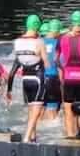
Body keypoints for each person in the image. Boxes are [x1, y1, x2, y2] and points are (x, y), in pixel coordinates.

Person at [7, 15, 49, 143]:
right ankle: (26, 137)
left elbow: (15, 66)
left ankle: (33, 137)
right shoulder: (39, 42)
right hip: (37, 78)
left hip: (25, 79)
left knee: (31, 108)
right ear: (37, 26)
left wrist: (9, 90)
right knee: (37, 110)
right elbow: (46, 63)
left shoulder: (17, 42)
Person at [42, 19, 64, 120]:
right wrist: (62, 82)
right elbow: (58, 62)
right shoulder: (58, 44)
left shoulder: (40, 42)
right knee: (53, 109)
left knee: (42, 108)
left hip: (40, 79)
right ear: (57, 31)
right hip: (53, 78)